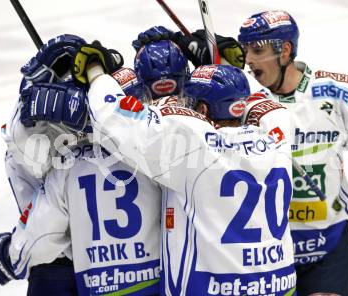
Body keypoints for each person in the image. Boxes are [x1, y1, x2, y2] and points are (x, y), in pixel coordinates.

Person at [73, 36, 297, 295]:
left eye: (190, 102)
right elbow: (259, 103)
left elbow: (115, 118)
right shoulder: (278, 135)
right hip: (278, 287)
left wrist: (96, 72)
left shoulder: (193, 146)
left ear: (202, 108)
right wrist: (219, 70)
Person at [237, 10, 348, 295]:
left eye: (257, 50)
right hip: (266, 251)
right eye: (245, 52)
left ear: (285, 51)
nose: (249, 61)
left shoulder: (338, 93)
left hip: (328, 246)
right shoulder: (243, 104)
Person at [0, 35, 163, 296]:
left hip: (68, 272)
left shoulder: (67, 162)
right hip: (156, 282)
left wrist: (10, 256)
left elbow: (43, 229)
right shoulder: (160, 151)